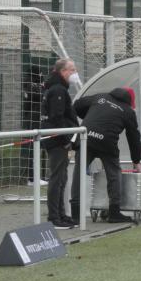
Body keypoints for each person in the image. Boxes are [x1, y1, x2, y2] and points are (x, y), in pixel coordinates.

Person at [70, 87, 141, 223]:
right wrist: (136, 160)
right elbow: (134, 138)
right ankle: (114, 213)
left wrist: (90, 117)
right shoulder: (128, 111)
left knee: (78, 173)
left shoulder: (100, 96)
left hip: (87, 137)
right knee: (114, 174)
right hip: (107, 143)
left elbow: (77, 105)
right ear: (131, 101)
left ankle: (75, 215)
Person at [41, 59, 80, 229]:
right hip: (57, 140)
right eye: (72, 69)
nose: (74, 73)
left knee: (62, 178)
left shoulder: (58, 88)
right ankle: (54, 217)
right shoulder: (57, 89)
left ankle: (61, 214)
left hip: (59, 138)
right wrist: (66, 139)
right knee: (57, 178)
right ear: (63, 71)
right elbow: (57, 117)